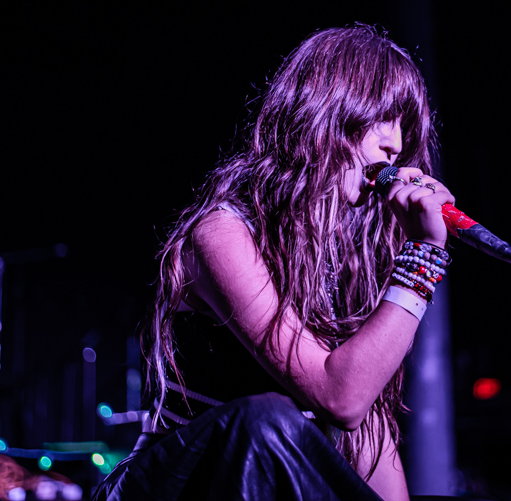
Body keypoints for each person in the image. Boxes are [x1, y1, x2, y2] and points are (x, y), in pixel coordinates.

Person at [92, 24, 456, 501]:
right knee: (265, 422)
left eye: (404, 126)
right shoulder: (223, 233)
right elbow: (339, 396)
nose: (395, 144)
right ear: (327, 110)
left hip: (265, 479)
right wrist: (422, 259)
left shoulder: (349, 265)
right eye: (382, 117)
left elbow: (367, 425)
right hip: (170, 487)